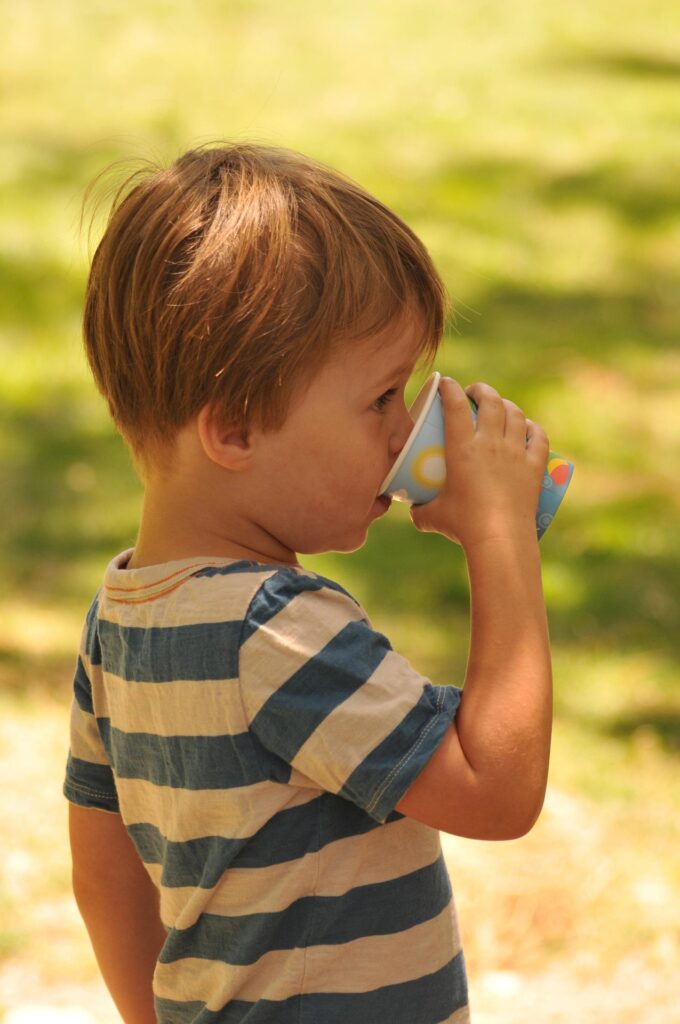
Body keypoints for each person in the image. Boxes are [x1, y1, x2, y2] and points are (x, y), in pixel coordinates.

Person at [64, 143, 552, 1024]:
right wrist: (501, 538)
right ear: (237, 430)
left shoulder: (122, 617)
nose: (405, 432)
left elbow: (105, 873)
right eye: (382, 399)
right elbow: (497, 789)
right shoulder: (280, 629)